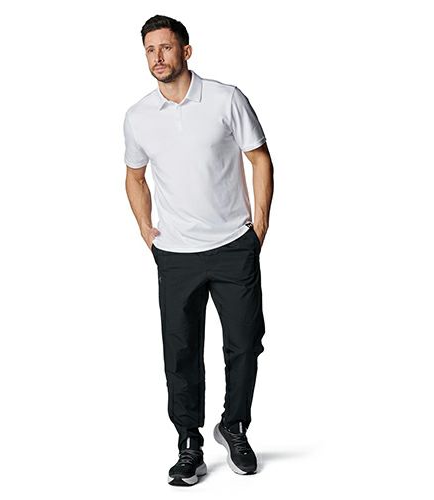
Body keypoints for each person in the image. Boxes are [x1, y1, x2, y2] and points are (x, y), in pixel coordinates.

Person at [123, 14, 274, 486]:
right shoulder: (139, 116)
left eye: (166, 48)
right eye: (150, 50)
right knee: (181, 350)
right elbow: (134, 176)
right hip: (176, 255)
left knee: (245, 343)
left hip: (233, 246)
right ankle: (189, 443)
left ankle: (234, 426)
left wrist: (259, 228)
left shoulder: (226, 99)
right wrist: (147, 230)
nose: (157, 57)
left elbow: (260, 159)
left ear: (186, 51)